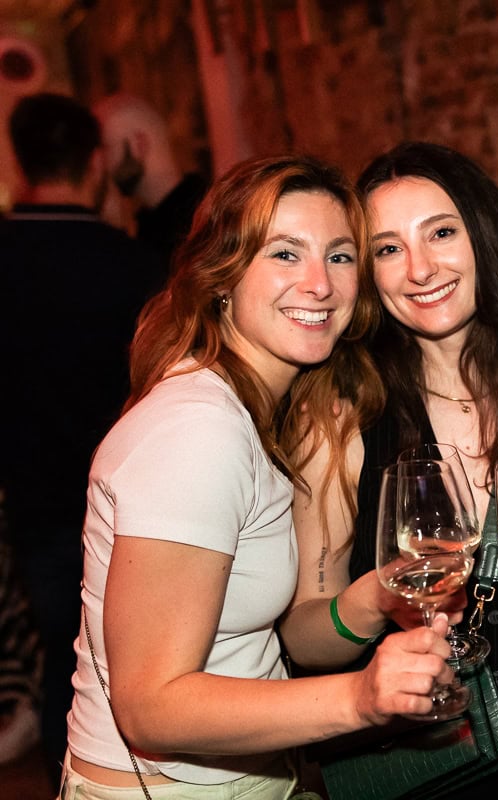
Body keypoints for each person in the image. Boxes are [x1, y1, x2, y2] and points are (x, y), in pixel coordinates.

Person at [61, 153, 458, 798]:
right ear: (222, 274)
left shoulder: (249, 412)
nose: (319, 284)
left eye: (339, 256)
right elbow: (151, 707)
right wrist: (360, 696)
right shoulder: (197, 431)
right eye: (284, 254)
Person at [280, 141, 498, 795]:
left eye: (441, 232)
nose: (419, 268)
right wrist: (374, 597)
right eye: (387, 248)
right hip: (428, 768)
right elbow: (303, 635)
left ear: (484, 236)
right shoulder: (339, 419)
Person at [0, 91, 165, 784]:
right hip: (132, 502)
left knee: (63, 662)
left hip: (35, 499)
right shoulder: (131, 265)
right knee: (135, 663)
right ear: (97, 161)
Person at [92, 92, 209, 263]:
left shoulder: (202, 220)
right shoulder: (149, 224)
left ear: (138, 144)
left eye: (106, 148)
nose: (99, 164)